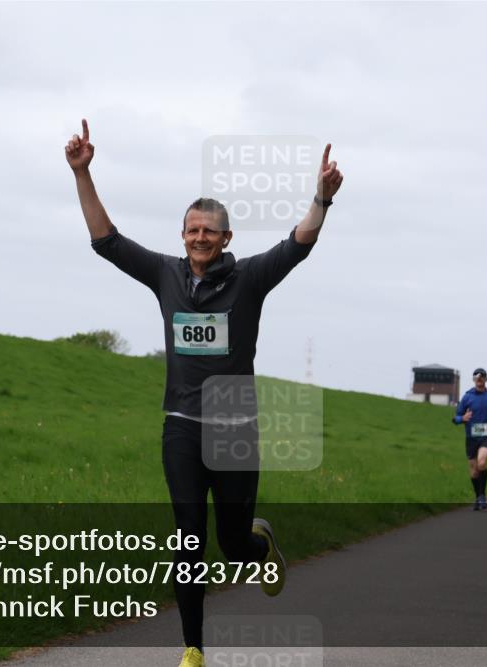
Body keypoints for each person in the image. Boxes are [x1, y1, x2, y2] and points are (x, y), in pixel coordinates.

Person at [66, 119, 343, 667]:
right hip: (182, 425)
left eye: (209, 231)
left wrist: (321, 200)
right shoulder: (165, 275)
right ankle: (192, 648)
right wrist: (82, 173)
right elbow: (106, 241)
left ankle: (260, 546)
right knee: (188, 536)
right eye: (191, 230)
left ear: (226, 238)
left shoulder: (252, 277)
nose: (199, 238)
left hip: (236, 428)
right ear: (183, 235)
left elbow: (298, 243)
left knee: (233, 543)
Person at [452, 368, 487, 511]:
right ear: (474, 380)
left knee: (482, 462)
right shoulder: (467, 397)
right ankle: (478, 496)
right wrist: (462, 418)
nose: (479, 379)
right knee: (474, 471)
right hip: (471, 438)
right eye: (477, 377)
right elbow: (455, 418)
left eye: (482, 377)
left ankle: (482, 496)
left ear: (486, 379)